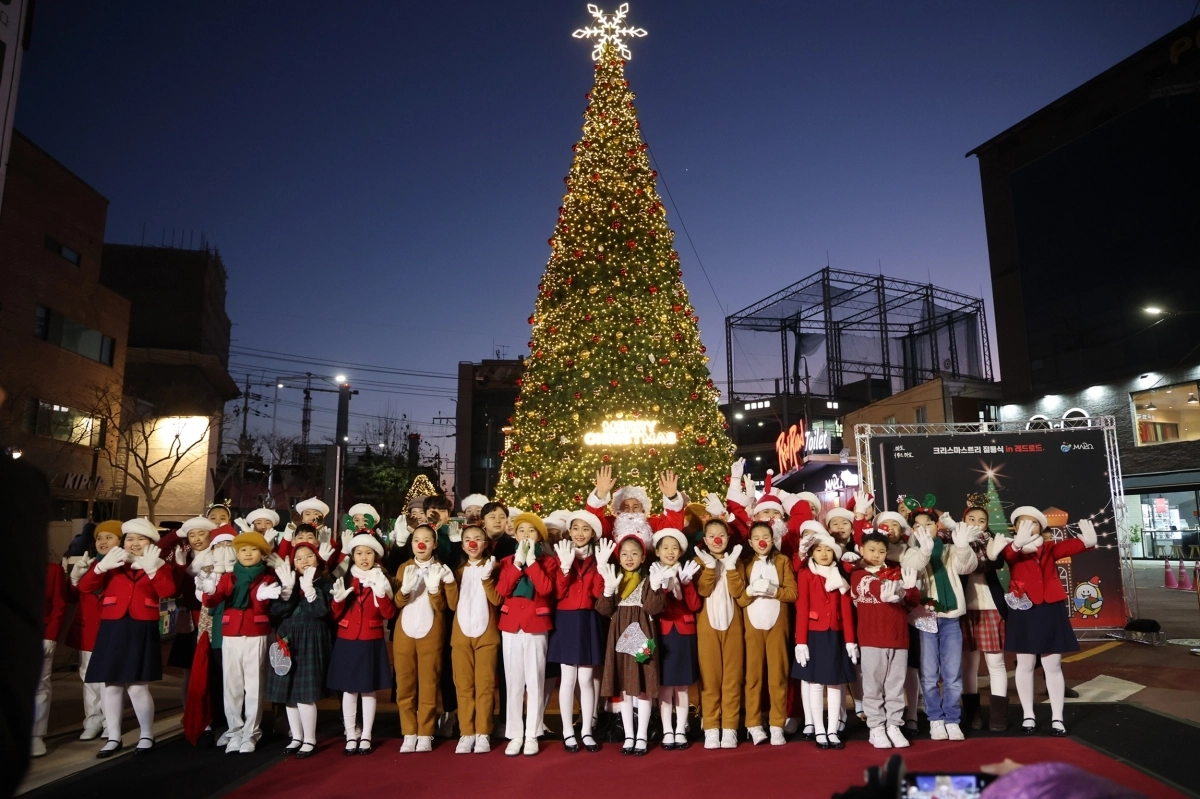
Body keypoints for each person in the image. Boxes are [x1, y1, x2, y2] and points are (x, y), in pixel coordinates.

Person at [79, 518, 175, 757]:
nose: (133, 544)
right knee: (110, 685)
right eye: (129, 539)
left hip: (142, 625)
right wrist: (100, 567)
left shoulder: (159, 564)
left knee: (137, 686)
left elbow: (168, 592)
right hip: (113, 625)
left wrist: (153, 568)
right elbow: (85, 587)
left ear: (151, 543)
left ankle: (146, 734)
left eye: (140, 539)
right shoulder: (113, 562)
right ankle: (113, 737)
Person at [999, 507, 1098, 735]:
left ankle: (1057, 718)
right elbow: (1008, 556)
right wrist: (1016, 544)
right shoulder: (1010, 546)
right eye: (1022, 523)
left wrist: (1087, 542)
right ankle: (1028, 716)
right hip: (1023, 610)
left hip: (1051, 608)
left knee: (1052, 666)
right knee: (1024, 665)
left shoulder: (1050, 548)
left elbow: (1072, 546)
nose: (1027, 527)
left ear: (1041, 527)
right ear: (1014, 527)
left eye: (1032, 523)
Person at [199, 531, 278, 754]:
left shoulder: (268, 578)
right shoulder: (229, 577)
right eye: (243, 550)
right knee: (231, 686)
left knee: (254, 686)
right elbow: (214, 600)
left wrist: (259, 598)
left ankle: (251, 732)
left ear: (262, 554)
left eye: (253, 549)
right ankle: (235, 730)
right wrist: (209, 591)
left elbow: (266, 606)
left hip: (255, 633)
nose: (248, 553)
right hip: (231, 633)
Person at [596, 517, 665, 756]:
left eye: (634, 553)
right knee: (625, 686)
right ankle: (628, 735)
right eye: (624, 553)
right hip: (619, 636)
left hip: (643, 633)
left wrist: (655, 587)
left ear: (643, 557)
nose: (629, 558)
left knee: (643, 686)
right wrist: (608, 589)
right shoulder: (613, 579)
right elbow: (603, 609)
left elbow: (654, 608)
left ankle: (642, 735)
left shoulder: (648, 579)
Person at [910, 508, 978, 741]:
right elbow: (912, 568)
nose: (924, 529)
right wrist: (924, 552)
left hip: (951, 618)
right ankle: (935, 719)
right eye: (918, 526)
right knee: (929, 675)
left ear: (936, 526)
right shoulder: (910, 552)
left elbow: (966, 567)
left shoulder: (949, 549)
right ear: (912, 530)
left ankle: (952, 719)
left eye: (928, 524)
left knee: (953, 675)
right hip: (925, 618)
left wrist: (962, 546)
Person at [851, 531, 921, 750]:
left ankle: (894, 725)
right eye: (872, 550)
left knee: (895, 685)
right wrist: (885, 591)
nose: (876, 555)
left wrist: (909, 589)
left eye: (881, 551)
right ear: (862, 550)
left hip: (898, 637)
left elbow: (911, 602)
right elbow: (868, 587)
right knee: (872, 684)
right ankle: (876, 727)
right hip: (872, 637)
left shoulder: (894, 571)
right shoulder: (857, 574)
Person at [495, 512, 556, 756]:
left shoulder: (548, 561)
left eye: (531, 531)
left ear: (539, 535)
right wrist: (518, 563)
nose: (526, 535)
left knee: (535, 681)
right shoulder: (509, 561)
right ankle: (514, 734)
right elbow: (502, 589)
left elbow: (546, 588)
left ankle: (532, 733)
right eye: (522, 531)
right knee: (513, 682)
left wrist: (531, 564)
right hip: (510, 625)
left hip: (536, 624)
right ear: (515, 534)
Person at [328, 533, 395, 755]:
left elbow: (389, 613)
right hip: (347, 639)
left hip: (371, 639)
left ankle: (366, 734)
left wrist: (381, 594)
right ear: (353, 555)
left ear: (375, 555)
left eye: (368, 553)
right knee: (349, 690)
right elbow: (335, 615)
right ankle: (350, 733)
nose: (364, 557)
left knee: (368, 690)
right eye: (359, 553)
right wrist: (337, 602)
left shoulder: (381, 578)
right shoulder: (346, 577)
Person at [394, 525, 458, 753]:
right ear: (411, 544)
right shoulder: (404, 567)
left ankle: (425, 733)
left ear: (434, 544)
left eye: (426, 540)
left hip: (430, 634)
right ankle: (409, 732)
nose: (421, 544)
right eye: (416, 540)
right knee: (405, 686)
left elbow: (445, 607)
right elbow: (397, 604)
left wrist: (436, 589)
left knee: (429, 685)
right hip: (404, 634)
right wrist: (404, 591)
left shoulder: (441, 569)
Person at [265, 541, 331, 758]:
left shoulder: (324, 583)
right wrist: (287, 589)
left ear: (318, 559)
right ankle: (296, 737)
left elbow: (321, 611)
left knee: (305, 695)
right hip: (288, 637)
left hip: (311, 639)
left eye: (309, 556)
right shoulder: (288, 581)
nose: (304, 561)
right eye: (299, 558)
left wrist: (310, 588)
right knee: (289, 694)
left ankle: (310, 738)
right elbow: (278, 611)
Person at [549, 510, 607, 753]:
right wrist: (564, 568)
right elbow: (558, 593)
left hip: (589, 619)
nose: (580, 533)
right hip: (566, 620)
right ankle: (567, 731)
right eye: (576, 528)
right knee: (568, 679)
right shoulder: (561, 556)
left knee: (586, 679)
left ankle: (586, 730)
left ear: (592, 533)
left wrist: (602, 567)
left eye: (585, 529)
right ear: (569, 531)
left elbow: (597, 594)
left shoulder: (598, 558)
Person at [794, 529, 857, 750]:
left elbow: (847, 610)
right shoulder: (806, 574)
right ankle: (819, 729)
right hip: (814, 634)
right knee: (815, 683)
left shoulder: (840, 575)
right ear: (811, 552)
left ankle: (832, 730)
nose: (823, 553)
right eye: (819, 549)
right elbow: (802, 608)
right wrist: (800, 641)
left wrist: (850, 640)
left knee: (835, 683)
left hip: (836, 634)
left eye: (828, 550)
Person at [736, 520, 798, 746]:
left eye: (766, 536)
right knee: (753, 677)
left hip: (777, 627)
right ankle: (753, 724)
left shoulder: (782, 561)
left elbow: (792, 593)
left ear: (773, 540)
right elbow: (741, 599)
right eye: (757, 537)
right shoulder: (745, 564)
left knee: (778, 677)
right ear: (751, 542)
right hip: (752, 627)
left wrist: (774, 591)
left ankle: (776, 725)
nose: (762, 541)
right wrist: (751, 591)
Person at [67, 520, 123, 742]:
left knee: (110, 680)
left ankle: (111, 723)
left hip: (112, 630)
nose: (102, 541)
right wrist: (73, 578)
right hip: (89, 630)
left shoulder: (124, 567)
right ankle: (92, 720)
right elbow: (73, 597)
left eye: (109, 537)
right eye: (99, 537)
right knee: (89, 679)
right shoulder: (89, 564)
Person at [693, 517, 746, 749]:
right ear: (705, 540)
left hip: (733, 627)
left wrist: (732, 567)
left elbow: (739, 593)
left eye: (722, 535)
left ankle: (730, 728)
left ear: (728, 538)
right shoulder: (698, 561)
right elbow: (702, 591)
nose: (717, 539)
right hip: (707, 628)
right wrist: (709, 568)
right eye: (712, 536)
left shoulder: (738, 561)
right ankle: (712, 727)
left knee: (732, 679)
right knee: (710, 679)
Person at [449, 525, 501, 754]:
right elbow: (451, 604)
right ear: (462, 545)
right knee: (463, 685)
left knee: (485, 685)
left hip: (487, 636)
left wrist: (487, 578)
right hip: (460, 637)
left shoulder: (494, 567)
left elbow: (497, 600)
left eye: (477, 539)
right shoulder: (456, 571)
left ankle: (483, 732)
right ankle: (466, 732)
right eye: (468, 539)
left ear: (485, 543)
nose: (473, 543)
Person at [651, 528, 702, 751]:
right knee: (663, 688)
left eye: (675, 548)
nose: (670, 552)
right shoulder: (652, 572)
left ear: (681, 552)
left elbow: (694, 606)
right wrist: (659, 587)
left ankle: (680, 728)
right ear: (657, 551)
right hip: (660, 634)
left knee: (681, 687)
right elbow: (651, 608)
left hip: (684, 634)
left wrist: (687, 583)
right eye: (665, 548)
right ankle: (667, 730)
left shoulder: (687, 572)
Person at [960, 502, 1010, 732]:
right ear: (964, 520)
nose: (977, 524)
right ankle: (973, 716)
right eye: (972, 519)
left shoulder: (992, 541)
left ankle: (998, 717)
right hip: (963, 609)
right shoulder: (954, 540)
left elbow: (998, 562)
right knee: (969, 665)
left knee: (996, 664)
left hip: (991, 608)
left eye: (981, 520)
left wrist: (990, 554)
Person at [586, 465, 686, 538]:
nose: (631, 511)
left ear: (643, 509)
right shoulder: (611, 525)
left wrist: (672, 497)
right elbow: (591, 521)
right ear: (618, 510)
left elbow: (674, 528)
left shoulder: (652, 524)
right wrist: (600, 493)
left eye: (635, 507)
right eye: (625, 507)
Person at [31, 557, 67, 757]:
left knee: (40, 684)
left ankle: (36, 735)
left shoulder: (52, 570)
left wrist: (51, 636)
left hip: (40, 633)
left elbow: (58, 606)